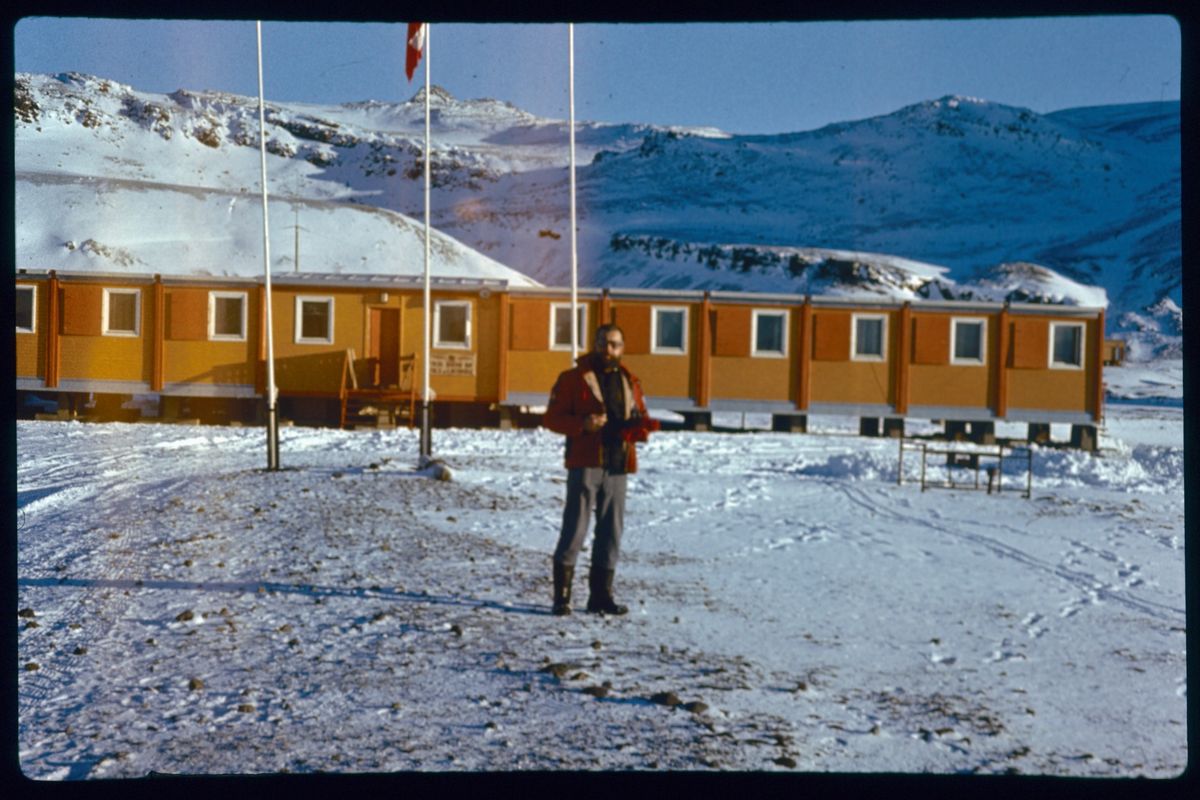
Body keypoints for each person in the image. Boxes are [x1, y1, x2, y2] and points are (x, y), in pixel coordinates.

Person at [543, 323, 659, 616]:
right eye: (605, 344)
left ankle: (600, 597)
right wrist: (582, 425)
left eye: (616, 344)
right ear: (595, 345)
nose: (610, 350)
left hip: (618, 463)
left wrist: (641, 427)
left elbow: (639, 413)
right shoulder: (573, 379)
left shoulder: (630, 381)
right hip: (585, 461)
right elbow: (552, 418)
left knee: (611, 531)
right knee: (575, 528)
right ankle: (562, 597)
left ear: (623, 347)